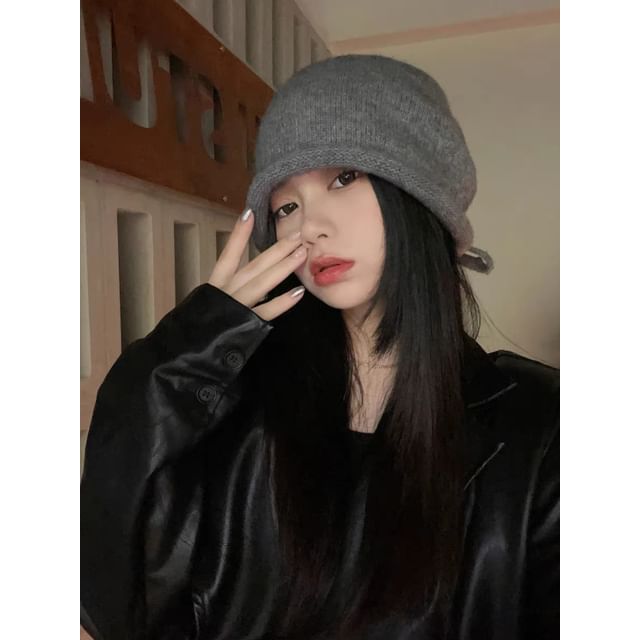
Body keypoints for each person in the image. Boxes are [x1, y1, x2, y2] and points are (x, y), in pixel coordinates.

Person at [81, 54, 559, 640]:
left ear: (423, 192)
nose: (309, 226)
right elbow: (112, 607)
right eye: (286, 206)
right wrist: (177, 361)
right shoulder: (233, 401)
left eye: (344, 177)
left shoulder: (542, 427)